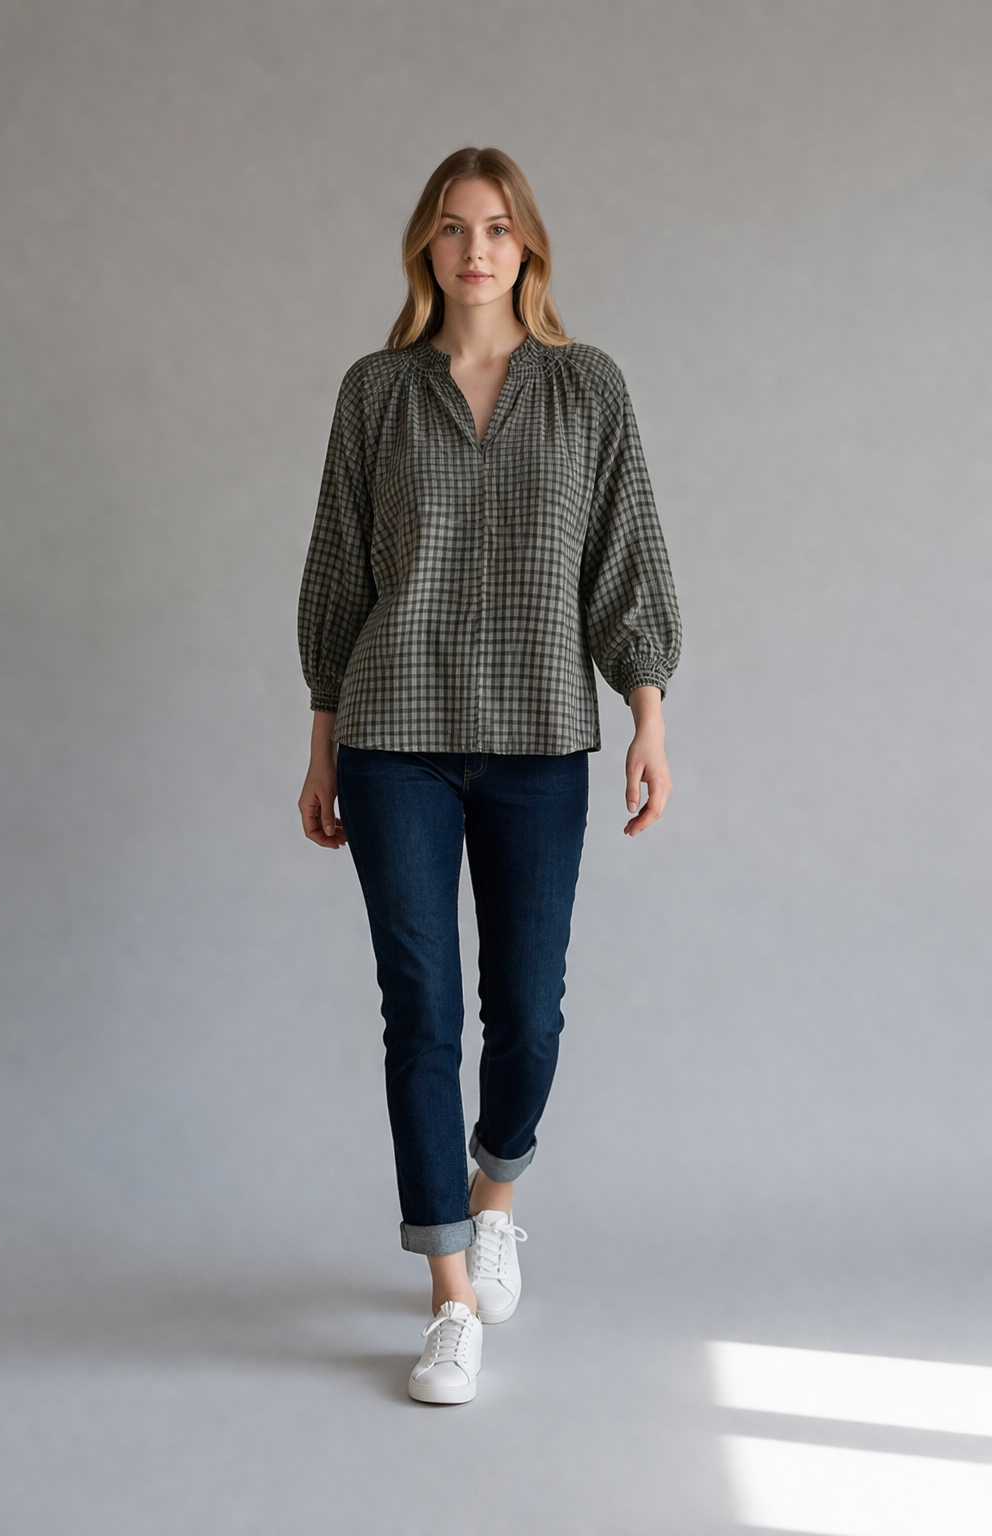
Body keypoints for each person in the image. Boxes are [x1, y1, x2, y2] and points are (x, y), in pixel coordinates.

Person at [297, 146, 681, 1405]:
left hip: (537, 738)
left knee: (527, 1009)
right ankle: (449, 1295)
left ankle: (494, 1192)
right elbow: (338, 572)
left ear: (528, 248)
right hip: (391, 735)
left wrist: (646, 715)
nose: (476, 250)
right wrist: (320, 744)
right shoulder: (376, 391)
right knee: (419, 1009)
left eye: (499, 229)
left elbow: (625, 557)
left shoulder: (585, 388)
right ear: (427, 243)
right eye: (456, 227)